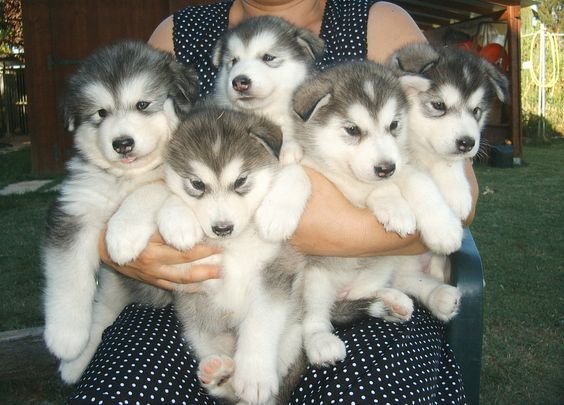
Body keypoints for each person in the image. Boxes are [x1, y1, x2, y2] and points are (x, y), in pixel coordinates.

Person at [69, 0, 478, 403]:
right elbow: (138, 166)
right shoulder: (177, 32)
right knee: (122, 393)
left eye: (269, 59)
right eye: (233, 64)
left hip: (347, 287)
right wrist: (114, 241)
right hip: (194, 295)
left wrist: (322, 231)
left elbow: (456, 195)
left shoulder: (377, 22)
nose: (244, 77)